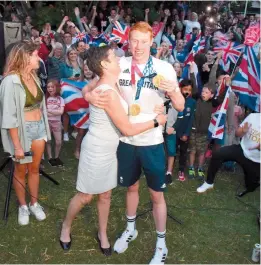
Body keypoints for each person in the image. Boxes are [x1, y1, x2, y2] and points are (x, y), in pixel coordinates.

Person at [84, 22, 184, 264]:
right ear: (128, 41)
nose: (137, 46)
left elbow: (180, 105)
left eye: (143, 41)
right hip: (125, 140)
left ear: (152, 42)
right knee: (130, 188)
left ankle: (161, 244)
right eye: (134, 40)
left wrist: (172, 92)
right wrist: (88, 96)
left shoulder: (164, 68)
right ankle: (131, 229)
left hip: (151, 141)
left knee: (156, 195)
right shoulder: (121, 65)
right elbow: (90, 86)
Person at [59, 45, 167, 256]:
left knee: (106, 195)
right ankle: (66, 226)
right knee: (85, 196)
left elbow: (86, 88)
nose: (119, 59)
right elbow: (126, 129)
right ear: (104, 64)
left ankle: (103, 233)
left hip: (112, 149)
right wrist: (156, 122)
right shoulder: (106, 91)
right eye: (113, 57)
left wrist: (87, 93)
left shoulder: (111, 80)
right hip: (97, 149)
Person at [0, 41, 51, 226]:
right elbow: (9, 116)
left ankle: (34, 203)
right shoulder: (10, 81)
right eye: (36, 55)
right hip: (22, 132)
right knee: (21, 170)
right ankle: (23, 206)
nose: (39, 58)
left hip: (38, 127)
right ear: (24, 57)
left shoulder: (33, 75)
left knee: (35, 169)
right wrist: (17, 145)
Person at [197, 113, 260, 193]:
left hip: (256, 160)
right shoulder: (252, 116)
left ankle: (253, 181)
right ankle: (209, 182)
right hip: (242, 150)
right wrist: (243, 131)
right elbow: (237, 134)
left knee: (251, 187)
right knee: (218, 154)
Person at [46, 80, 64, 167]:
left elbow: (61, 112)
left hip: (57, 122)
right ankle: (50, 158)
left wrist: (49, 111)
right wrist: (55, 111)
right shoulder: (45, 99)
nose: (50, 88)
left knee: (58, 142)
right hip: (47, 122)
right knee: (48, 140)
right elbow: (44, 113)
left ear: (56, 88)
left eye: (52, 87)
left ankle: (57, 157)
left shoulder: (61, 99)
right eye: (48, 87)